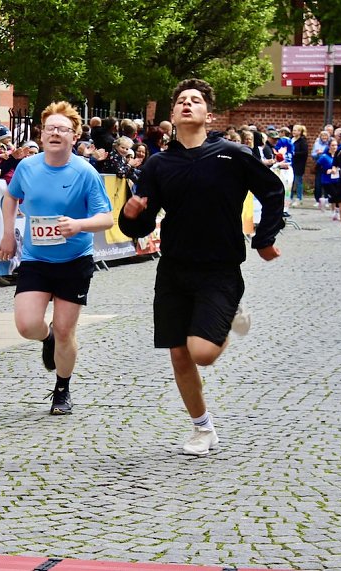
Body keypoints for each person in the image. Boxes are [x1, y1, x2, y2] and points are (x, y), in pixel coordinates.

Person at [118, 78, 284, 456]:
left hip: (220, 268)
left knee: (203, 354)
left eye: (195, 101)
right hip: (174, 269)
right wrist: (129, 217)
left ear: (209, 114)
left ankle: (228, 313)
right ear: (173, 114)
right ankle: (203, 429)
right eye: (181, 101)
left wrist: (264, 239)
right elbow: (141, 223)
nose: (187, 104)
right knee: (179, 354)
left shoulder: (232, 154)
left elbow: (273, 191)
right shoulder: (159, 164)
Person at [0, 101, 113, 416]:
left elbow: (106, 218)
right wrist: (8, 234)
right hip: (36, 258)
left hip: (75, 260)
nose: (56, 133)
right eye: (51, 128)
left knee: (65, 329)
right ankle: (46, 339)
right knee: (27, 324)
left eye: (63, 129)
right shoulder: (28, 167)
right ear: (42, 133)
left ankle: (62, 389)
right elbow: (11, 197)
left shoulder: (85, 172)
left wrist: (79, 225)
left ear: (74, 136)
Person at [291, 124, 308, 206]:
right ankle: (289, 197)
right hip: (291, 163)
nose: (294, 132)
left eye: (296, 130)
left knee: (298, 181)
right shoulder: (291, 140)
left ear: (300, 132)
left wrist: (294, 153)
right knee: (291, 180)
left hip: (299, 164)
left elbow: (304, 153)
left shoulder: (302, 141)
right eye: (293, 130)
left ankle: (299, 198)